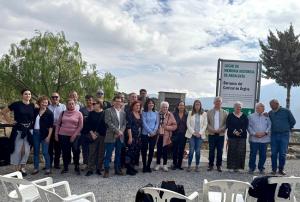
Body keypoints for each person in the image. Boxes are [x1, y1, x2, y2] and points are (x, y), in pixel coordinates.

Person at [1, 89, 35, 176]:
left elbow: (43, 106)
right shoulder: (16, 104)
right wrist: (10, 121)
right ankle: (16, 170)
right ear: (22, 95)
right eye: (25, 94)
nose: (28, 95)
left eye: (29, 94)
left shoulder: (32, 105)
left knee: (26, 151)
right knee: (17, 150)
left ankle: (22, 168)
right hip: (18, 129)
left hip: (28, 130)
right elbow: (4, 111)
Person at [55, 98, 83, 175]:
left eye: (72, 103)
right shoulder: (63, 113)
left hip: (75, 135)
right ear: (66, 105)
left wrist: (74, 135)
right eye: (69, 104)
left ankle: (77, 166)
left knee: (76, 151)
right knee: (65, 152)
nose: (71, 105)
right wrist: (56, 134)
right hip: (63, 135)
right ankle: (66, 167)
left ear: (75, 104)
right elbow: (58, 124)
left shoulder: (79, 113)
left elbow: (80, 126)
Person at [269, 99, 296, 175]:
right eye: (270, 105)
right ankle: (273, 170)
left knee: (282, 153)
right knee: (273, 153)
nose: (271, 106)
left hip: (284, 135)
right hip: (274, 135)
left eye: (272, 105)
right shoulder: (270, 113)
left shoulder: (286, 111)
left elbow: (293, 121)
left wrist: (287, 128)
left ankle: (281, 169)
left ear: (277, 104)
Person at [103, 95, 126, 178]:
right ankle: (106, 170)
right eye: (116, 101)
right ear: (113, 102)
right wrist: (117, 131)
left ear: (121, 103)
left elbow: (124, 124)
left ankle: (117, 169)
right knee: (108, 154)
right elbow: (108, 122)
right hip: (111, 135)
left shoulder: (123, 112)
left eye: (120, 101)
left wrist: (121, 132)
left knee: (118, 154)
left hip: (120, 136)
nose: (118, 103)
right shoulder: (108, 111)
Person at [32, 96, 54, 175]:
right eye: (43, 102)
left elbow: (51, 127)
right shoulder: (35, 111)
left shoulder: (50, 113)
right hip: (35, 133)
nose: (45, 104)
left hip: (45, 134)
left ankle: (48, 168)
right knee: (36, 152)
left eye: (46, 102)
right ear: (39, 103)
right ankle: (36, 168)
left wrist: (48, 137)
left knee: (45, 152)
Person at [247, 103, 271, 174]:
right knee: (253, 154)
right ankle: (251, 168)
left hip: (264, 139)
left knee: (263, 155)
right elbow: (248, 126)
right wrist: (254, 133)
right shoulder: (250, 116)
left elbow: (270, 125)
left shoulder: (267, 116)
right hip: (254, 139)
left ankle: (261, 168)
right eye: (261, 108)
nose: (263, 109)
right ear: (256, 108)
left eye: (263, 108)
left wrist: (265, 132)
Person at [85, 99, 106, 176]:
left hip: (102, 136)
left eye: (94, 103)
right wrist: (92, 134)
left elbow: (106, 125)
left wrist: (98, 133)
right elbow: (87, 125)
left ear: (99, 104)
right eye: (93, 104)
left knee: (101, 153)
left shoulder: (105, 113)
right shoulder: (91, 113)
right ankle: (90, 169)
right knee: (92, 152)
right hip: (92, 135)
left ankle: (99, 168)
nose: (93, 105)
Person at [226, 101, 249, 172]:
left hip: (242, 137)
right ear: (234, 108)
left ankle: (239, 167)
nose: (238, 108)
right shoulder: (230, 115)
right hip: (232, 136)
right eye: (237, 107)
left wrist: (240, 131)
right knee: (232, 151)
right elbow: (228, 125)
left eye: (240, 107)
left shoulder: (244, 116)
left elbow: (246, 125)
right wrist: (235, 132)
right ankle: (231, 167)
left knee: (241, 152)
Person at [206, 97, 228, 172]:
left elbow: (226, 124)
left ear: (221, 103)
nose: (218, 103)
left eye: (219, 101)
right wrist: (212, 129)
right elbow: (207, 123)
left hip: (220, 135)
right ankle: (210, 165)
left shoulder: (225, 112)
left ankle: (219, 165)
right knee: (211, 150)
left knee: (220, 151)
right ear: (214, 103)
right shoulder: (209, 112)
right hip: (212, 134)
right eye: (217, 101)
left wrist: (221, 129)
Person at [185, 99, 207, 172]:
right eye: (196, 104)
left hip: (200, 135)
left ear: (200, 106)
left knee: (198, 151)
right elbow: (188, 124)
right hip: (192, 135)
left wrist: (199, 133)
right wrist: (193, 132)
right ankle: (189, 166)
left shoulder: (204, 114)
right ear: (194, 105)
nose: (197, 106)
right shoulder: (190, 113)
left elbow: (205, 125)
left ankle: (197, 166)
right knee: (191, 150)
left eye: (198, 104)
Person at [154, 101, 177, 172]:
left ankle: (164, 165)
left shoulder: (170, 115)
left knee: (165, 151)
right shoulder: (157, 114)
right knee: (159, 150)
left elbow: (175, 126)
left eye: (166, 107)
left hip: (166, 136)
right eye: (164, 107)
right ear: (161, 107)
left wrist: (166, 127)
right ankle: (158, 164)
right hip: (158, 135)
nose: (165, 108)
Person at [48, 92, 66, 169]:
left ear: (59, 97)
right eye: (53, 97)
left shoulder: (63, 106)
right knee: (49, 147)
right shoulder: (48, 107)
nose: (55, 98)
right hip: (49, 128)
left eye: (56, 97)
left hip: (59, 128)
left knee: (58, 147)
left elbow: (65, 117)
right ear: (51, 98)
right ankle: (49, 164)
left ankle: (56, 164)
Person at [141, 98, 159, 173]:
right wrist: (150, 131)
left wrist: (154, 131)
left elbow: (157, 123)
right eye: (149, 103)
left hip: (153, 135)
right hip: (145, 134)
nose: (151, 104)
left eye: (152, 103)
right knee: (144, 150)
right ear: (147, 104)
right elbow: (143, 123)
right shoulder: (143, 113)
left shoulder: (156, 113)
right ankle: (144, 166)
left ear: (154, 105)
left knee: (151, 150)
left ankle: (148, 166)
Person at [125, 101, 142, 175]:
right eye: (136, 105)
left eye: (139, 106)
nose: (138, 107)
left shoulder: (139, 114)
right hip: (131, 136)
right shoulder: (130, 114)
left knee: (135, 153)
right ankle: (128, 169)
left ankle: (132, 167)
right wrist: (130, 137)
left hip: (138, 137)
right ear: (133, 106)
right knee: (130, 153)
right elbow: (128, 126)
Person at [171, 101, 188, 170]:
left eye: (182, 105)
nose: (181, 106)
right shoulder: (173, 114)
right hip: (175, 134)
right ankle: (174, 164)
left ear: (184, 106)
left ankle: (179, 165)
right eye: (180, 105)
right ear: (177, 106)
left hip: (183, 135)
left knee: (181, 150)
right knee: (175, 149)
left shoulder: (186, 114)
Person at [79, 95, 94, 169]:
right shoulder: (82, 110)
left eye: (90, 100)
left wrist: (87, 119)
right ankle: (85, 163)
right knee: (85, 149)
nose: (89, 102)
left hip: (94, 133)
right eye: (87, 100)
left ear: (93, 101)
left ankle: (93, 163)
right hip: (84, 132)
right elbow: (81, 121)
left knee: (93, 149)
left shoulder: (95, 109)